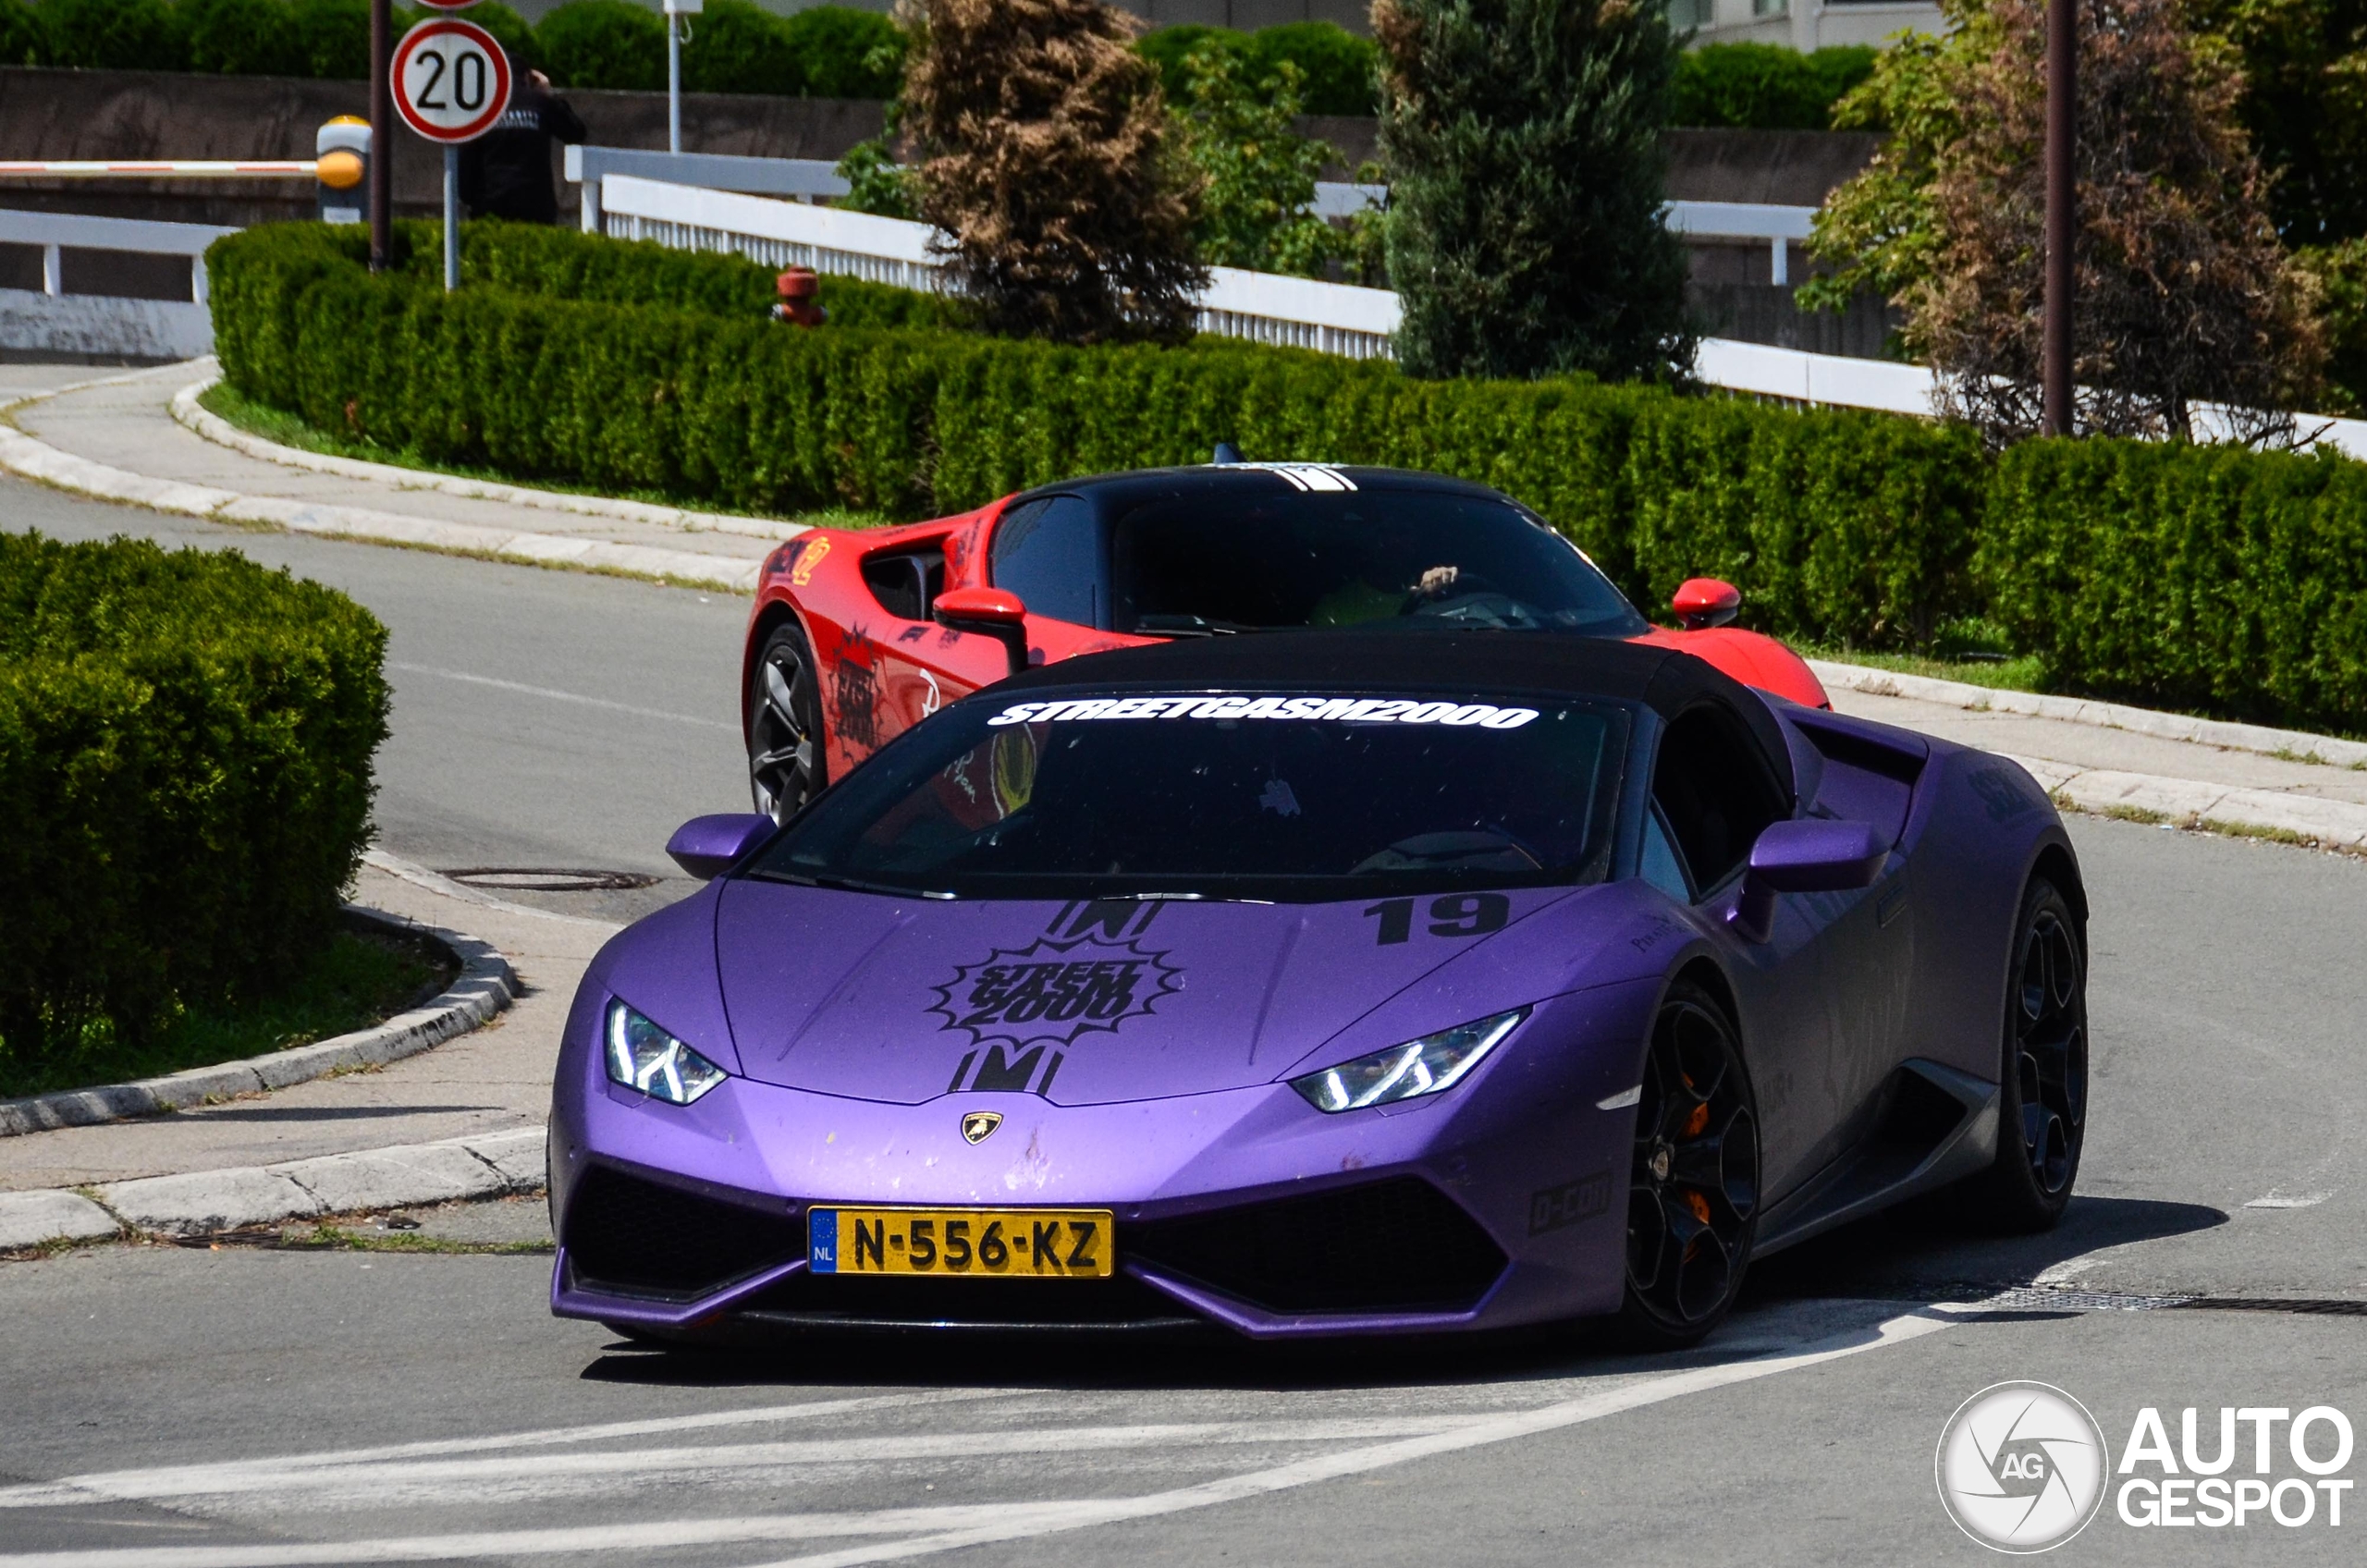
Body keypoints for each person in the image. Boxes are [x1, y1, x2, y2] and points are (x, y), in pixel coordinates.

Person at [457, 61, 586, 226]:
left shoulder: (482, 106)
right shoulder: (539, 102)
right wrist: (549, 93)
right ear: (527, 77)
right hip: (536, 205)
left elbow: (466, 156)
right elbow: (576, 132)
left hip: (489, 203)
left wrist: (468, 197)